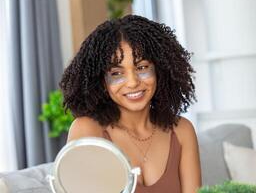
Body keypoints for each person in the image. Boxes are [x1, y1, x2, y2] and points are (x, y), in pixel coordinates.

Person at [59, 14, 201, 193]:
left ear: (159, 70)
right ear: (101, 81)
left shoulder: (182, 131)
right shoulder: (88, 131)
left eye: (142, 68)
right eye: (117, 73)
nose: (133, 82)